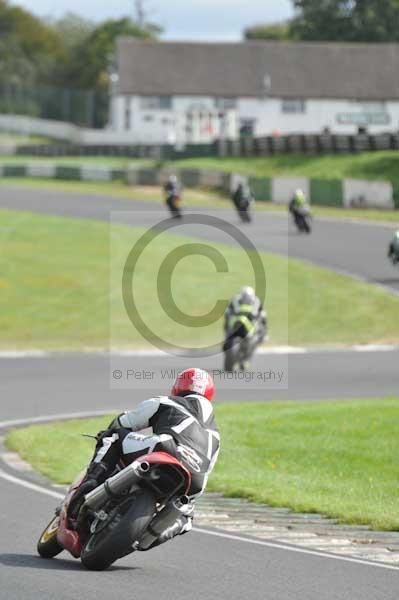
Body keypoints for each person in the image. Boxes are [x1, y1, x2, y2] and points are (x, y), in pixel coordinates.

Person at [68, 368, 219, 549]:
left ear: (177, 387)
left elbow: (124, 422)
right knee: (186, 514)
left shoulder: (165, 402)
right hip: (195, 479)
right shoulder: (216, 435)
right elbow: (208, 467)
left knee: (113, 436)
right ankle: (166, 529)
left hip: (165, 449)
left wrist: (108, 431)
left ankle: (91, 482)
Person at [223, 286, 267, 353]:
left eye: (248, 297)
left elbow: (261, 314)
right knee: (228, 327)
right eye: (245, 297)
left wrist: (262, 331)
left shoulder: (256, 301)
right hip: (236, 322)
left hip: (251, 323)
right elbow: (228, 312)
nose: (247, 299)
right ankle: (227, 338)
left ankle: (262, 336)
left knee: (257, 337)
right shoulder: (235, 300)